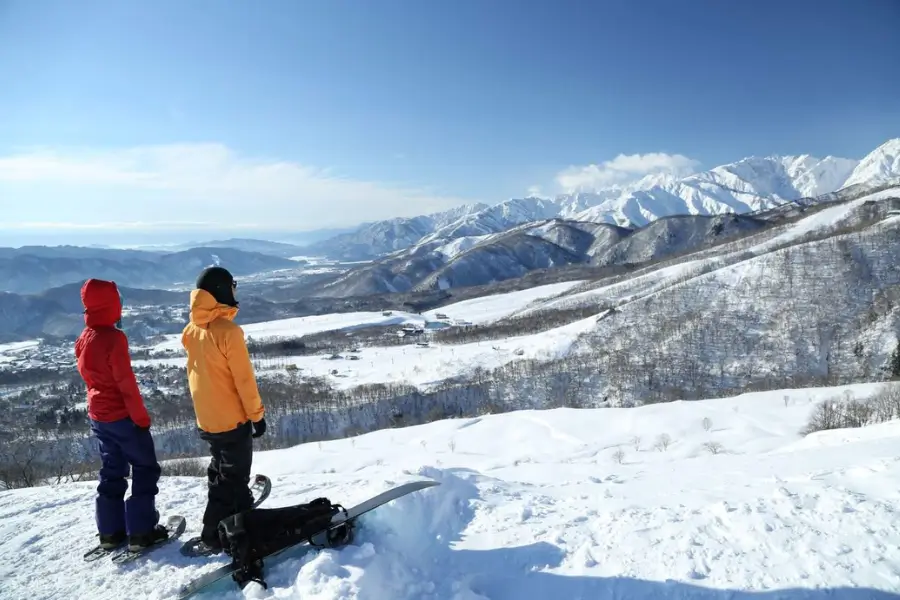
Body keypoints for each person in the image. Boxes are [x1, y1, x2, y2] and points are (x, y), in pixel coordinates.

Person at [75, 278, 167, 551]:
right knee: (145, 467)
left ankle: (110, 532)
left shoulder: (84, 337)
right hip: (121, 416)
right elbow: (126, 384)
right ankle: (141, 531)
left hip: (98, 416)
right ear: (111, 304)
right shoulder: (114, 338)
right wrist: (141, 419)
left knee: (112, 470)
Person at [181, 266, 267, 552]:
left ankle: (230, 516)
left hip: (207, 419)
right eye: (232, 286)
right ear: (220, 291)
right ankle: (221, 533)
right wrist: (257, 416)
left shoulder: (191, 330)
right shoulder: (228, 331)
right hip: (232, 419)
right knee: (234, 477)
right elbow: (244, 380)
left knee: (220, 471)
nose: (234, 292)